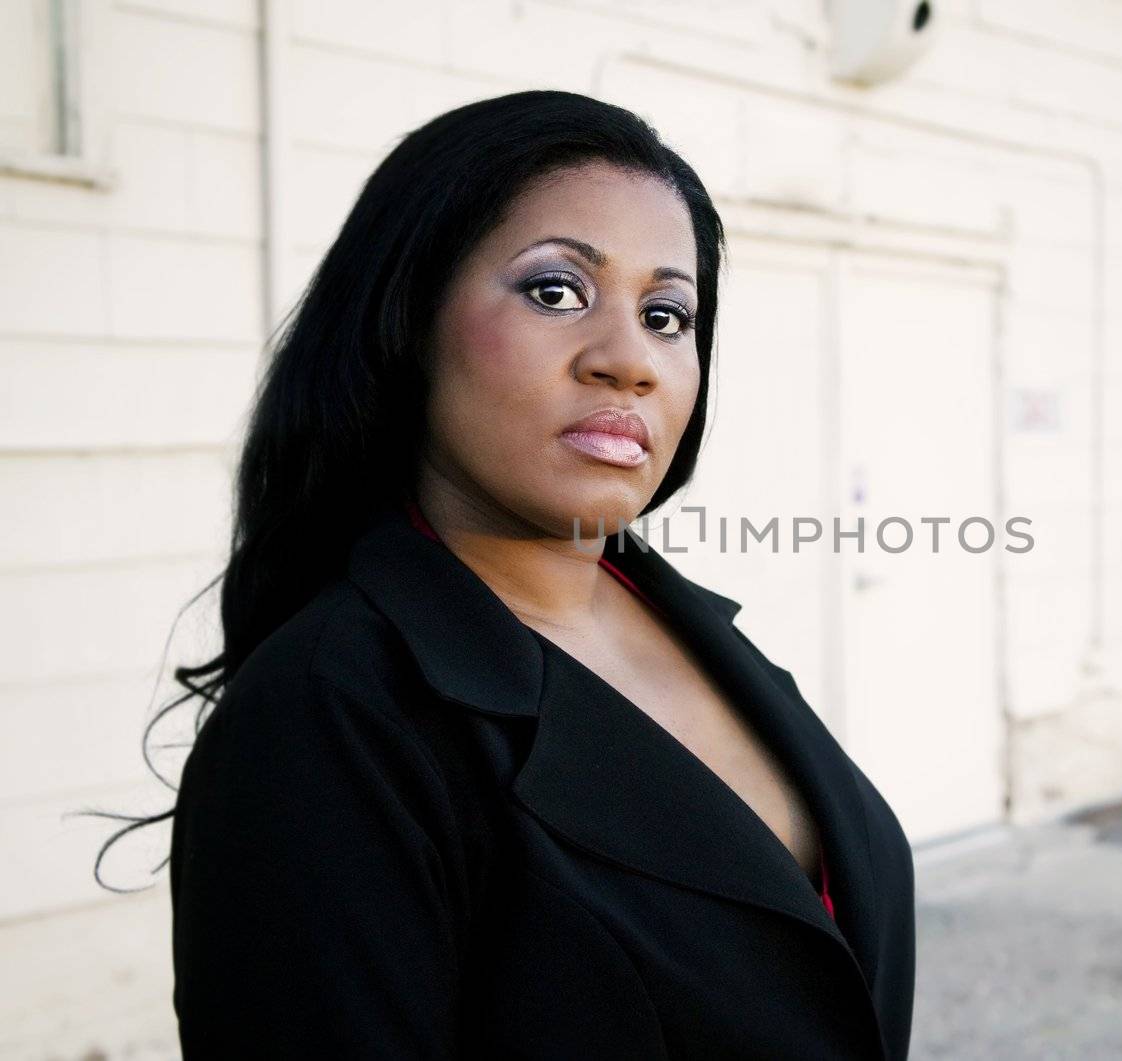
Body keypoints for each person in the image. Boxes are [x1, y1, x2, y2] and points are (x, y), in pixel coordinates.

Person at [155, 89, 916, 1058]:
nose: (627, 359)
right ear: (406, 318)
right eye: (555, 291)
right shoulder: (325, 714)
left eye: (666, 313)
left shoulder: (693, 629)